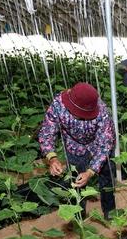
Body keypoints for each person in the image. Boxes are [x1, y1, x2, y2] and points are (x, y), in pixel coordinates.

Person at [38, 82, 116, 220]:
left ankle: (110, 212)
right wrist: (52, 158)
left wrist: (91, 171)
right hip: (74, 146)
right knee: (76, 181)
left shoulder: (102, 111)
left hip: (98, 145)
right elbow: (47, 132)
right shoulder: (58, 105)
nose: (83, 117)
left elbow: (106, 144)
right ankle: (79, 216)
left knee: (107, 177)